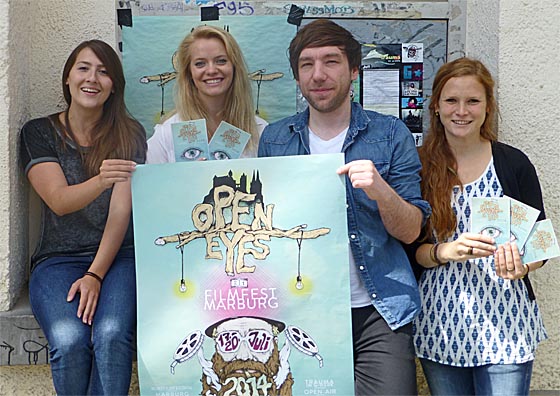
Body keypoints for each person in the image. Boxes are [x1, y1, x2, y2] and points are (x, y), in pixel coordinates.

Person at [258, 19, 431, 395]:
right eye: (307, 64)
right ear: (297, 75)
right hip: (302, 309)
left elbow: (411, 231)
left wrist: (381, 190)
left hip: (378, 309)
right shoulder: (275, 138)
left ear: (354, 70)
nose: (318, 74)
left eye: (331, 61)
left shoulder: (390, 134)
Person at [412, 57, 547, 395]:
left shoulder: (512, 163)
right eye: (451, 100)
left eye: (473, 101)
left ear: (488, 107)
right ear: (436, 107)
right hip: (440, 321)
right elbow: (410, 252)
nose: (462, 110)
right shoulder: (418, 166)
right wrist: (446, 251)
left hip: (506, 322)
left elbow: (541, 241)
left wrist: (523, 265)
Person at [19, 40, 147, 395]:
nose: (93, 78)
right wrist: (102, 179)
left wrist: (95, 274)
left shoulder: (129, 133)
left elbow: (121, 211)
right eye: (84, 68)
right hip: (57, 261)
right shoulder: (39, 132)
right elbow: (59, 200)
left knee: (110, 334)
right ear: (68, 78)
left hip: (118, 257)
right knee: (70, 340)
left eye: (104, 72)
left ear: (113, 86)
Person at [147, 25, 266, 163]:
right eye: (200, 63)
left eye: (221, 61)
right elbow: (151, 183)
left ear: (235, 67)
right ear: (189, 73)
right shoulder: (166, 133)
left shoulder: (262, 132)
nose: (211, 70)